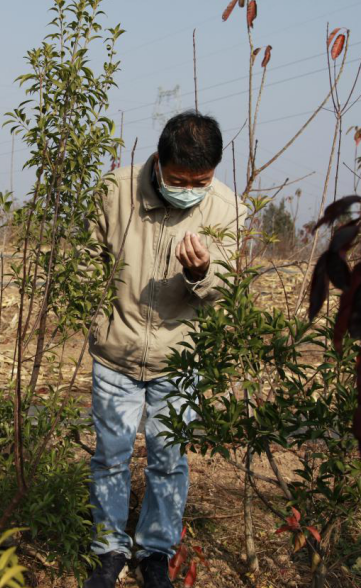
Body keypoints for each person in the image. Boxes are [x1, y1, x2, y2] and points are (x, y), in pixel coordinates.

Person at [84, 111, 240, 588]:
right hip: (117, 353)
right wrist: (98, 322)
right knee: (110, 455)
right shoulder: (115, 191)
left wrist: (201, 274)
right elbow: (88, 264)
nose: (189, 189)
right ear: (158, 161)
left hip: (180, 357)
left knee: (168, 460)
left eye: (201, 181)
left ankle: (155, 552)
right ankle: (107, 550)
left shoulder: (227, 208)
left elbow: (226, 288)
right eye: (178, 180)